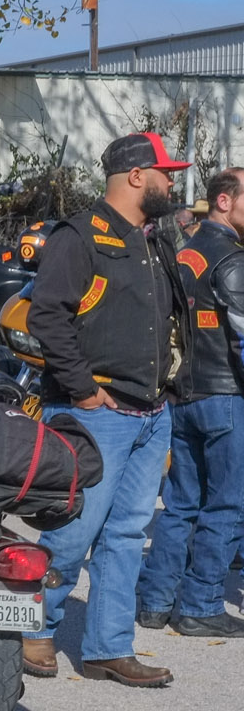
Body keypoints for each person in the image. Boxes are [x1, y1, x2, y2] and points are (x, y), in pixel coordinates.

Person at [20, 131, 192, 686]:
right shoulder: (78, 236)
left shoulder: (155, 240)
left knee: (126, 536)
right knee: (73, 530)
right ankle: (34, 630)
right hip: (96, 413)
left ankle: (108, 648)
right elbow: (47, 316)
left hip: (150, 414)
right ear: (137, 176)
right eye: (165, 173)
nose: (172, 183)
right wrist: (82, 390)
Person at [136, 167, 244, 638]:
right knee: (225, 506)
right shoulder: (232, 259)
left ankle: (154, 603)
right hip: (225, 397)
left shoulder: (183, 253)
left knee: (180, 503)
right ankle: (201, 605)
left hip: (183, 396)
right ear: (224, 200)